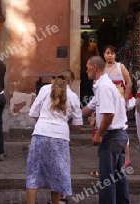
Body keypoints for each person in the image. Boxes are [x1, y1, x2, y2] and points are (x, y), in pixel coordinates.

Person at [26, 72, 83, 204]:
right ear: (71, 82)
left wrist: (43, 120)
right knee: (57, 174)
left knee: (33, 173)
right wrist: (66, 123)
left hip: (40, 133)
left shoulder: (45, 89)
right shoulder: (73, 96)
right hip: (60, 136)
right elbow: (78, 124)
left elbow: (33, 112)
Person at [81, 56, 130, 203]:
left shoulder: (104, 87)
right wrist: (67, 116)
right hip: (119, 136)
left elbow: (109, 114)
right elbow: (88, 108)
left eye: (87, 67)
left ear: (95, 67)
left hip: (112, 137)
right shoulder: (103, 85)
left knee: (107, 178)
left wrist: (99, 134)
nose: (86, 70)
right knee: (118, 176)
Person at [89, 45, 133, 178]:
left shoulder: (120, 67)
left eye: (112, 53)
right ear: (103, 55)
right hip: (106, 102)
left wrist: (124, 99)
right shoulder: (103, 71)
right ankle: (110, 167)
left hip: (117, 101)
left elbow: (129, 82)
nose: (110, 55)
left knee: (119, 127)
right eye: (107, 53)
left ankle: (126, 159)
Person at [80, 31, 99, 106]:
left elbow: (97, 56)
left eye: (87, 38)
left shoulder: (93, 45)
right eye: (85, 38)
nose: (86, 39)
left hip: (92, 70)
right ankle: (84, 103)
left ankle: (92, 103)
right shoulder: (80, 47)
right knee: (84, 88)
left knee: (91, 87)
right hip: (84, 71)